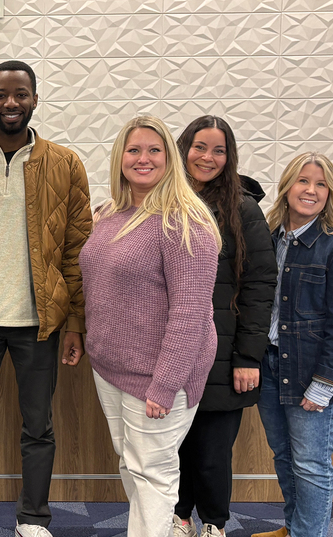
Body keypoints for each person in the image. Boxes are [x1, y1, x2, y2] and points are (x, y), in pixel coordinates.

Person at [0, 60, 92, 537]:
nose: (11, 103)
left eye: (20, 94)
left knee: (39, 428)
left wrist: (75, 323)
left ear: (34, 99)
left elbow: (77, 250)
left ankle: (33, 518)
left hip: (39, 321)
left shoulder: (65, 164)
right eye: (2, 94)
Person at [80, 115, 220, 537]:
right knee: (132, 464)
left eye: (154, 150)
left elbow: (191, 312)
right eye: (134, 149)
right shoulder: (110, 214)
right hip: (111, 369)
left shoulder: (184, 220)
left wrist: (165, 383)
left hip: (158, 377)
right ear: (120, 156)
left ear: (169, 158)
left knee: (152, 474)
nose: (143, 159)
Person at [172, 116, 277, 537]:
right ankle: (178, 519)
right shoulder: (163, 200)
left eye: (219, 150)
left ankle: (213, 523)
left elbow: (259, 284)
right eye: (200, 147)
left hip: (224, 354)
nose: (208, 157)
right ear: (183, 149)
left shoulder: (243, 208)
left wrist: (248, 357)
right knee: (171, 449)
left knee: (213, 454)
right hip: (173, 352)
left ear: (229, 157)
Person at [252, 153, 333, 537]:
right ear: (287, 187)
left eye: (320, 184)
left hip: (312, 373)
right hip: (269, 366)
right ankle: (293, 526)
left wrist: (324, 384)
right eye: (303, 181)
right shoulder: (268, 240)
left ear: (329, 194)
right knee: (284, 458)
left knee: (311, 464)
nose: (310, 190)